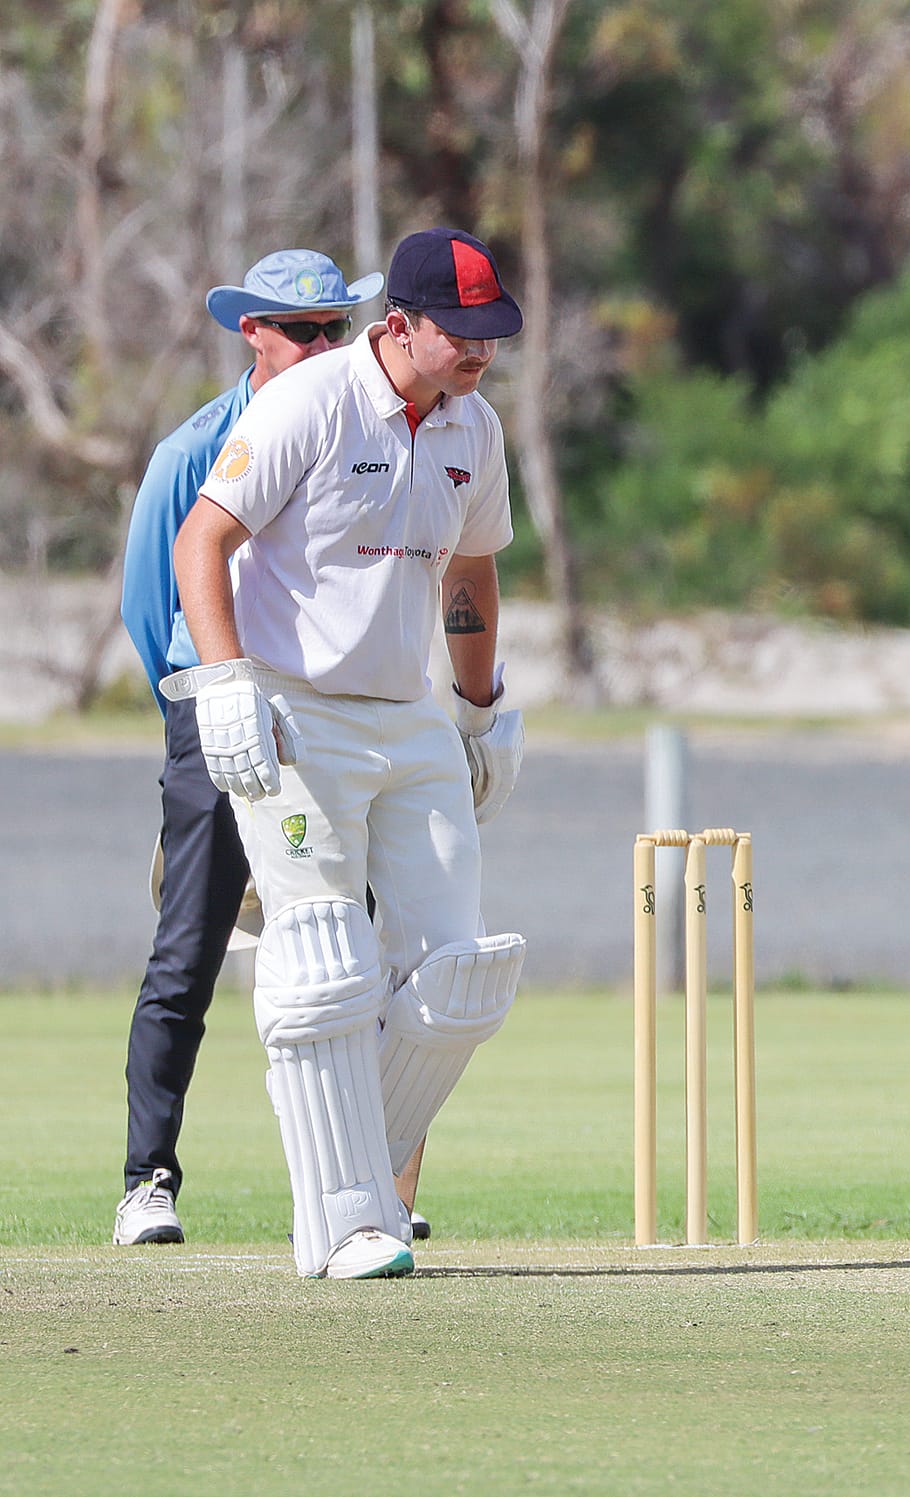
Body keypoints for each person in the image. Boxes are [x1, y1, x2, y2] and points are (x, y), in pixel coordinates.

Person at [167, 226, 529, 1279]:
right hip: (297, 709)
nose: (479, 351)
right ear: (400, 324)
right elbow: (202, 540)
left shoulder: (474, 427)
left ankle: (348, 1184)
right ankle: (349, 1224)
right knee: (326, 963)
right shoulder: (310, 402)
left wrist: (477, 710)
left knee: (459, 976)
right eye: (459, 332)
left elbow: (471, 572)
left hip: (408, 712)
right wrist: (226, 684)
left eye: (491, 334)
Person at [114, 249, 383, 1248]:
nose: (321, 346)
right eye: (300, 330)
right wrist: (197, 706)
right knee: (188, 949)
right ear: (252, 333)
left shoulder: (360, 429)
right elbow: (153, 599)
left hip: (324, 711)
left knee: (345, 948)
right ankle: (147, 1180)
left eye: (334, 329)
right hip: (217, 707)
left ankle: (361, 1185)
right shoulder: (195, 446)